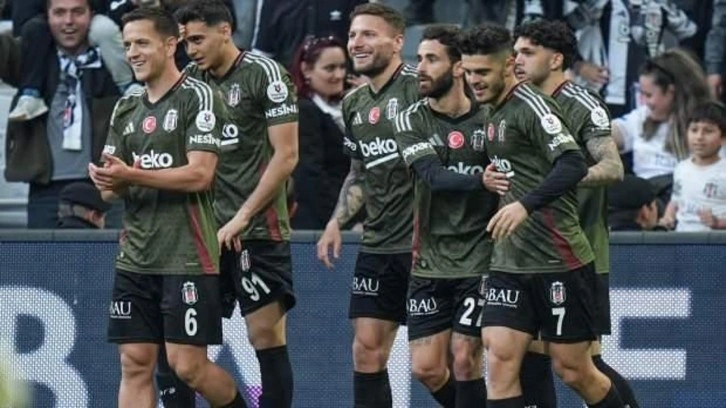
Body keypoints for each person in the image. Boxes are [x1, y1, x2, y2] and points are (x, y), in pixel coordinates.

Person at [459, 24, 625, 408]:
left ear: (507, 66)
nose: (473, 80)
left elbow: (575, 164)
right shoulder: (490, 109)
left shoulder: (536, 106)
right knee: (500, 360)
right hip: (508, 260)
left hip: (559, 256)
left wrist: (526, 202)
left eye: (482, 72)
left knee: (575, 370)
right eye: (467, 72)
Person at [88, 7, 245, 408]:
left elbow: (200, 174)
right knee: (134, 363)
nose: (132, 53)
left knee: (188, 367)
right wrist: (108, 181)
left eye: (142, 43)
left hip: (187, 257)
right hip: (135, 257)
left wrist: (132, 175)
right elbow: (111, 193)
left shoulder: (199, 97)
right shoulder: (127, 106)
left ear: (170, 44)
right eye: (127, 45)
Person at [507, 19, 640, 408]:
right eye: (515, 52)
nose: (517, 60)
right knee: (527, 357)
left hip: (577, 251)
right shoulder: (517, 103)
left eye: (527, 52)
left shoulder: (582, 103)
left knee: (582, 364)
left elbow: (612, 168)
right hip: (528, 251)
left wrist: (555, 181)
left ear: (556, 59)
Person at [176, 1, 299, 407]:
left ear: (225, 30)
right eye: (185, 42)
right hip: (203, 236)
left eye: (198, 39)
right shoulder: (191, 82)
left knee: (264, 336)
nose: (191, 50)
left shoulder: (264, 74)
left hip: (257, 229)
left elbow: (287, 155)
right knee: (184, 354)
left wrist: (243, 216)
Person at [315, 3, 420, 407]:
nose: (356, 43)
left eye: (369, 34)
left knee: (436, 365)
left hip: (429, 247)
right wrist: (336, 221)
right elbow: (359, 172)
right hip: (378, 243)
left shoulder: (420, 88)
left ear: (397, 42)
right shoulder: (354, 103)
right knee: (366, 351)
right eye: (353, 35)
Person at [392, 24, 497, 408]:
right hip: (429, 261)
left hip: (479, 259)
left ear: (458, 67)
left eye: (431, 59)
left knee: (466, 360)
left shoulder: (490, 120)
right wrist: (482, 181)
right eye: (419, 58)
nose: (420, 67)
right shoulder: (410, 119)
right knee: (426, 368)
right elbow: (433, 177)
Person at [0, 0, 121, 229]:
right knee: (44, 252)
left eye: (78, 12)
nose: (68, 21)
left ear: (92, 15)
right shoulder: (31, 57)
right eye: (59, 13)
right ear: (46, 16)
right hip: (46, 189)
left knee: (111, 252)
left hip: (105, 186)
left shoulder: (112, 57)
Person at [612, 48, 711, 204]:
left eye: (649, 95)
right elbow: (613, 131)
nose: (643, 102)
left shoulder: (707, 125)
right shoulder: (642, 116)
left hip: (685, 199)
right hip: (643, 197)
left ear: (671, 92)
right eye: (641, 94)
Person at [289, 35, 352, 230]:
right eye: (330, 68)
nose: (339, 75)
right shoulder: (305, 111)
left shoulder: (343, 107)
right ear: (306, 70)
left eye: (342, 67)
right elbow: (310, 175)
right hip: (319, 222)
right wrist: (341, 219)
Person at [660, 101, 726, 231]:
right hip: (682, 239)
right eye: (694, 130)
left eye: (708, 131)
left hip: (717, 241)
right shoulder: (681, 168)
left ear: (723, 138)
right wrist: (668, 218)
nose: (699, 137)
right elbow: (676, 201)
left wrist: (718, 223)